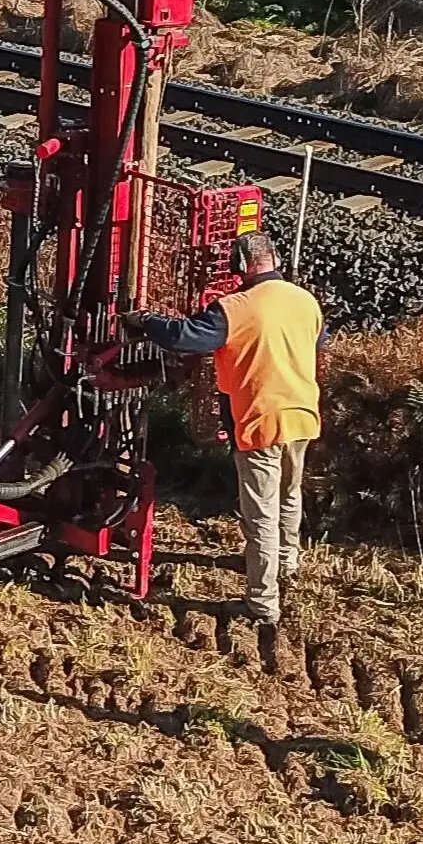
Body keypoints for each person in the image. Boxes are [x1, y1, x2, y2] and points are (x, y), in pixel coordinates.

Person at [127, 230, 324, 624]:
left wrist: (145, 321)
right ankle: (288, 561)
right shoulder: (306, 301)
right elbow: (314, 344)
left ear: (240, 265)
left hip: (259, 420)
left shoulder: (235, 308)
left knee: (260, 515)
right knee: (289, 493)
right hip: (303, 415)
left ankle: (262, 603)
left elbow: (185, 338)